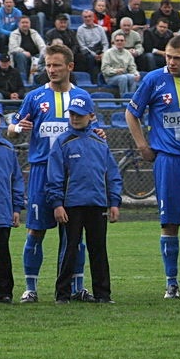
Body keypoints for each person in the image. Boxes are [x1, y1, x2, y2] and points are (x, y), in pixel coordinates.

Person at [125, 35, 180, 299]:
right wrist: (142, 145)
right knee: (169, 222)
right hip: (169, 161)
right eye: (168, 56)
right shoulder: (153, 79)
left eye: (177, 57)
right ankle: (171, 282)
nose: (171, 62)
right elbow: (132, 112)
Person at [10, 44, 93, 303]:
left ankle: (77, 287)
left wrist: (98, 132)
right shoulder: (35, 97)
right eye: (47, 65)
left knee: (74, 233)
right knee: (35, 230)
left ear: (70, 67)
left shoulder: (81, 96)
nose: (51, 70)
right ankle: (30, 289)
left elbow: (94, 128)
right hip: (41, 172)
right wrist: (17, 128)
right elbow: (12, 129)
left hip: (74, 175)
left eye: (56, 65)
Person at [47, 93, 121, 304]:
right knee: (69, 250)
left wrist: (114, 202)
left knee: (99, 250)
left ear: (91, 115)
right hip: (71, 205)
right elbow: (54, 176)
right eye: (71, 114)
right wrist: (57, 203)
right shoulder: (63, 142)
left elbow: (112, 174)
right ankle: (62, 294)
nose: (75, 118)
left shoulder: (100, 141)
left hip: (98, 204)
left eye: (79, 114)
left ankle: (103, 295)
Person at [0, 102, 24, 305]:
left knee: (2, 254)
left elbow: (16, 179)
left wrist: (16, 207)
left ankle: (5, 292)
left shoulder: (7, 149)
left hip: (1, 211)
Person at [9, 15, 45, 81]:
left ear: (30, 24)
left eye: (27, 22)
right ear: (18, 24)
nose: (25, 24)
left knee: (40, 56)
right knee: (20, 55)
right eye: (23, 23)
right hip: (20, 56)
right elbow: (12, 48)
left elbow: (42, 45)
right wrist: (23, 51)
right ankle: (23, 80)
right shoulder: (14, 34)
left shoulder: (34, 32)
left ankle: (34, 79)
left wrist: (42, 53)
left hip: (34, 56)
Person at [76, 8, 108, 82]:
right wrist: (95, 55)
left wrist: (103, 53)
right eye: (85, 17)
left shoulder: (100, 28)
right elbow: (82, 46)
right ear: (82, 19)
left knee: (109, 56)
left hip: (100, 50)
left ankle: (106, 80)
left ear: (93, 17)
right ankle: (94, 81)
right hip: (88, 52)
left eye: (89, 16)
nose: (88, 18)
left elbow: (105, 43)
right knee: (90, 58)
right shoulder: (80, 29)